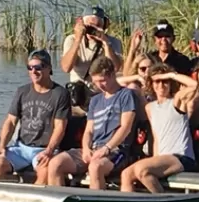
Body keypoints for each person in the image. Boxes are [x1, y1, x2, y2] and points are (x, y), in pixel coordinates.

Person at [46, 56, 137, 190]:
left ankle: (97, 200)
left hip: (117, 150)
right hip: (94, 147)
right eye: (96, 82)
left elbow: (126, 127)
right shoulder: (95, 100)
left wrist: (107, 148)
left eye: (102, 81)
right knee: (56, 163)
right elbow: (89, 130)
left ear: (112, 75)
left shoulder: (126, 95)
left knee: (95, 167)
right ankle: (60, 198)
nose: (100, 85)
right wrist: (86, 148)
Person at [0, 49, 71, 185]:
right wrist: (1, 146)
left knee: (45, 171)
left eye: (38, 67)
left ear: (49, 68)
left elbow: (60, 127)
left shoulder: (60, 94)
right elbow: (11, 121)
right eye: (30, 67)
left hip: (45, 149)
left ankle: (34, 197)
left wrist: (49, 150)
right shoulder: (22, 91)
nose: (33, 71)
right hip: (21, 148)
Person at [120, 63, 199, 193]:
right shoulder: (149, 107)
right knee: (126, 174)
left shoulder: (177, 101)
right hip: (162, 159)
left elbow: (194, 85)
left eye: (165, 81)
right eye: (157, 81)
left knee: (142, 170)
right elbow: (156, 138)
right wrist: (154, 159)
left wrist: (171, 75)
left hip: (181, 157)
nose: (161, 85)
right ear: (151, 84)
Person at [60, 6, 124, 112]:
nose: (93, 29)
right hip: (79, 94)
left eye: (98, 26)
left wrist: (106, 44)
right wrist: (78, 39)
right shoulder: (71, 40)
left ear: (104, 25)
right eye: (90, 25)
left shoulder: (113, 42)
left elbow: (116, 68)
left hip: (102, 92)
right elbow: (66, 67)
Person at [127, 20, 193, 75]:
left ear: (173, 38)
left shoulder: (182, 60)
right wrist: (132, 49)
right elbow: (127, 75)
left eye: (167, 36)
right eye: (160, 36)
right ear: (154, 40)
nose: (163, 39)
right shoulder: (148, 58)